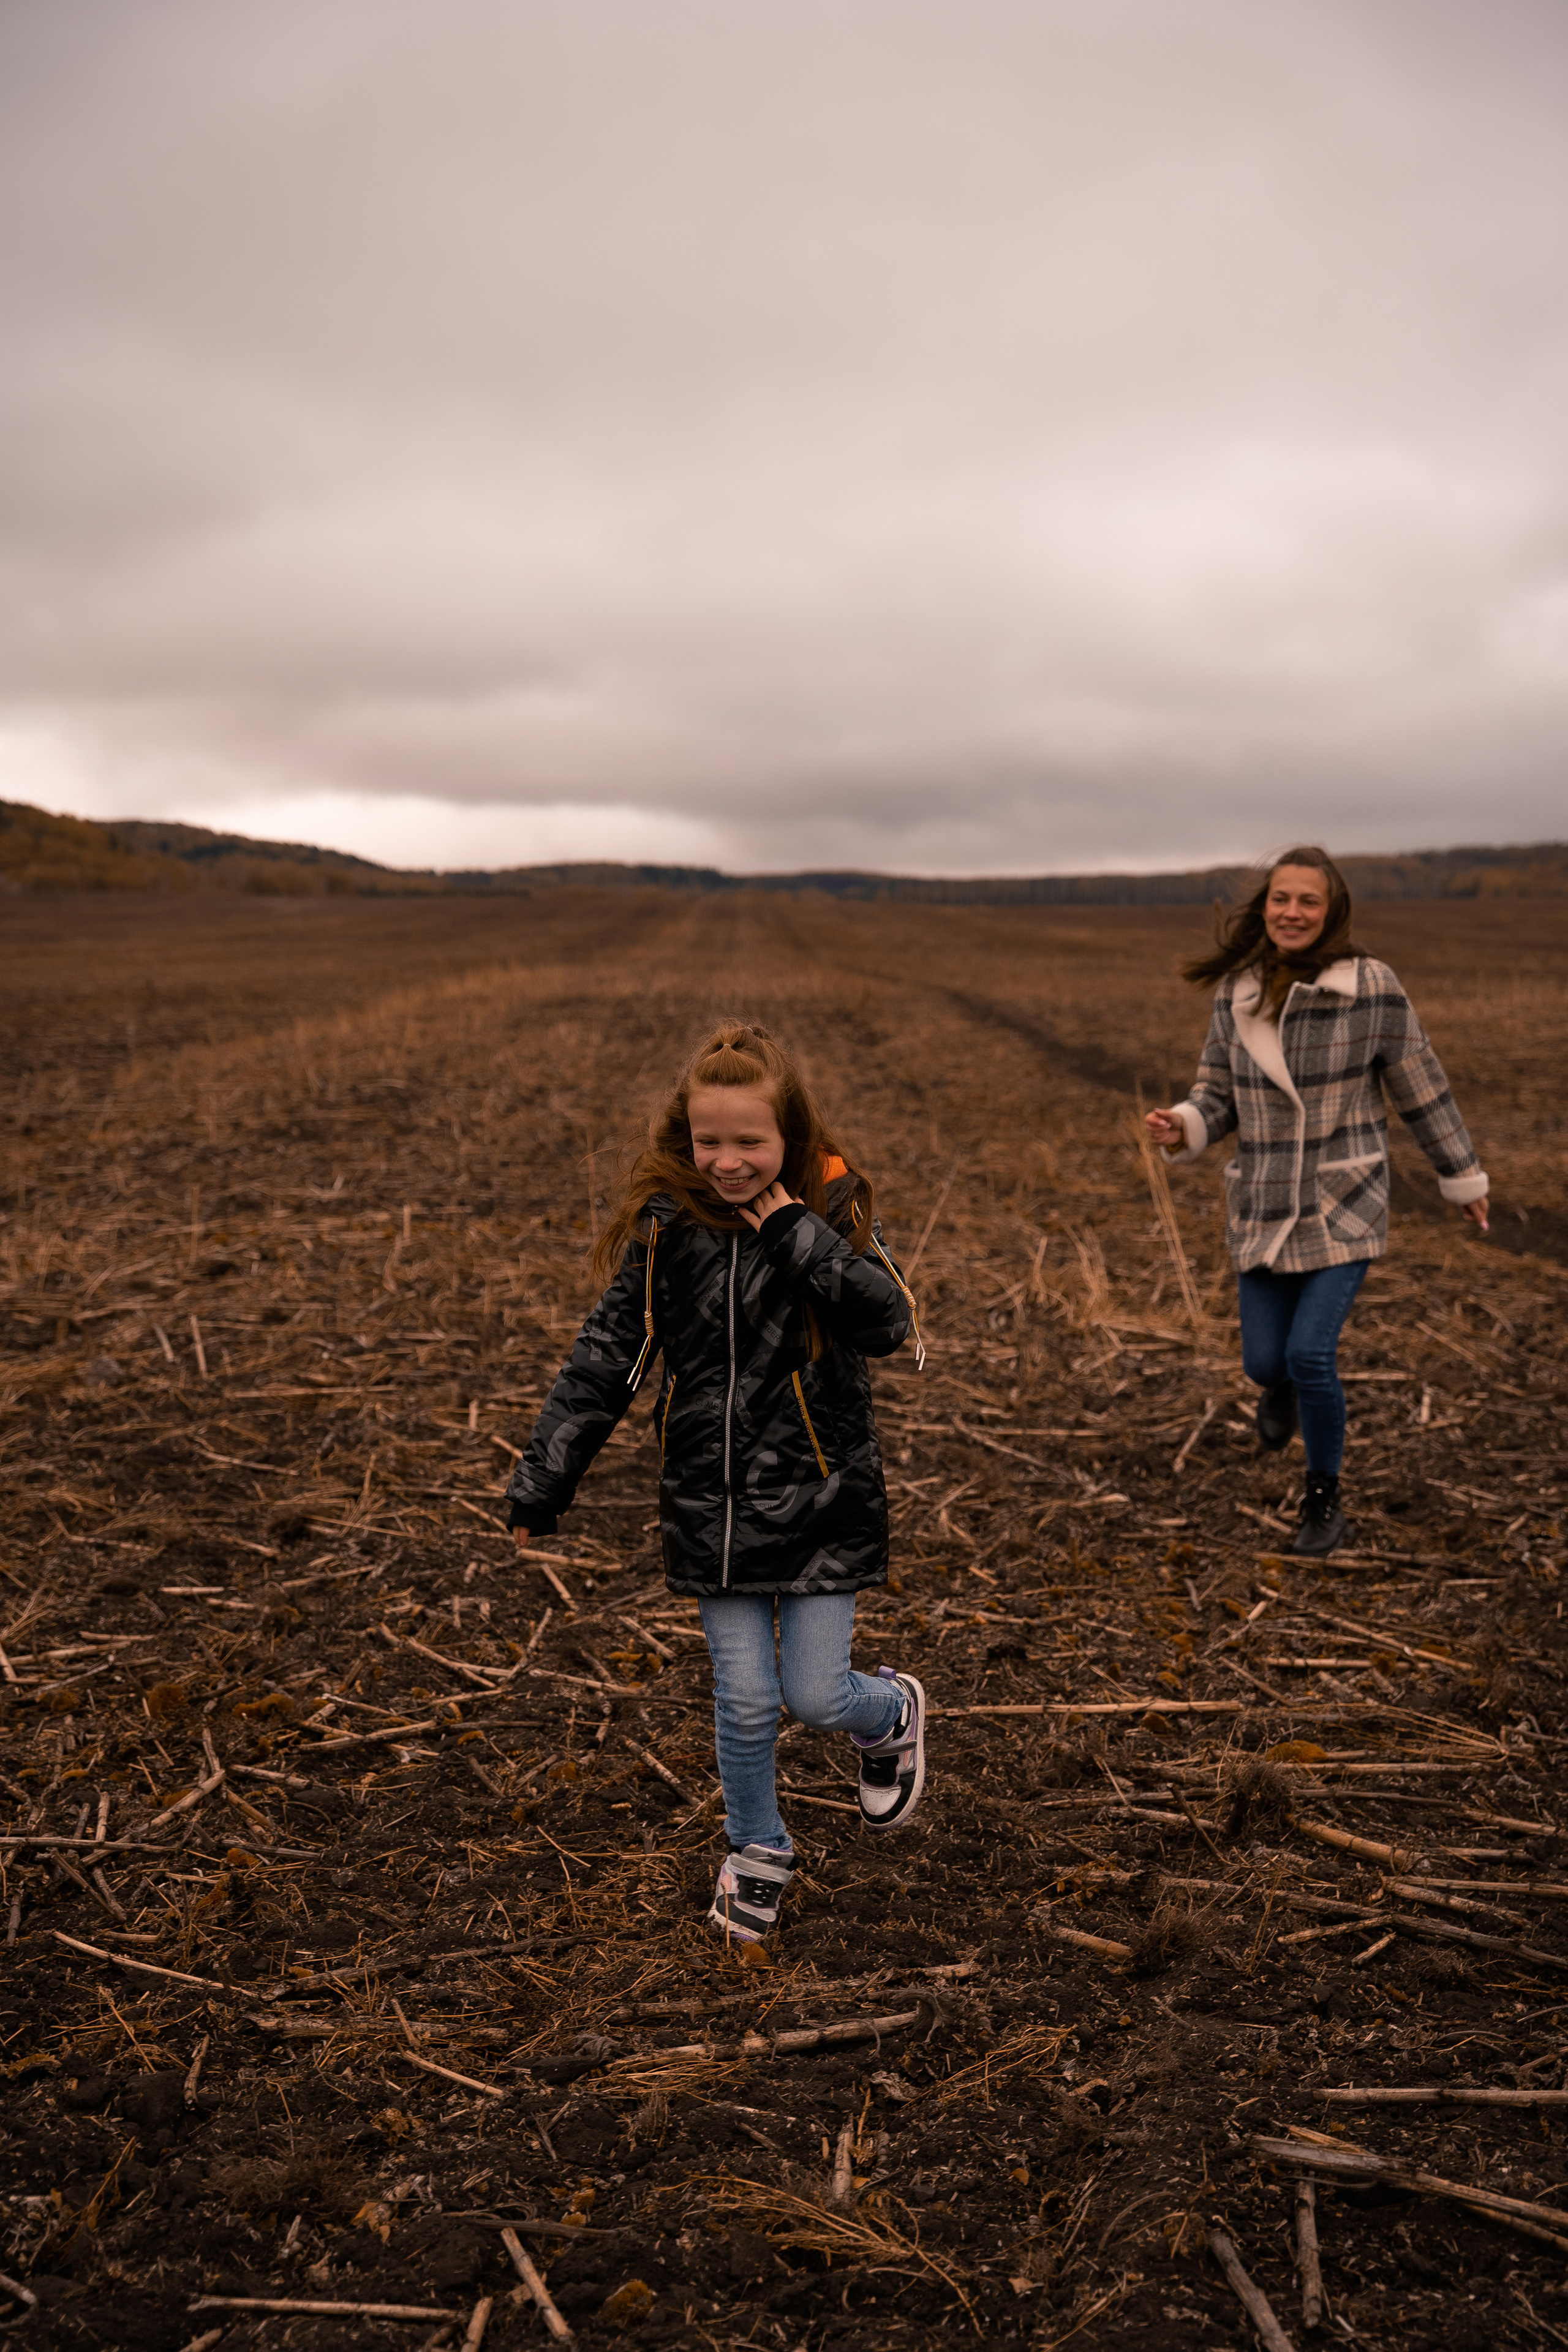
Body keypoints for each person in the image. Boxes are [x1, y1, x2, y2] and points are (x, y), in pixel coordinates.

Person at [503, 1019, 927, 1942]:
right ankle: (757, 1849)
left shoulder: (834, 1209)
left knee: (814, 1698)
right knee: (741, 1696)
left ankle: (890, 1711)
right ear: (683, 1138)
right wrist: (545, 1478)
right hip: (711, 1502)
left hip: (820, 1498)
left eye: (750, 1142)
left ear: (791, 1138)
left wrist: (793, 1232)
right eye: (709, 1142)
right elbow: (607, 1360)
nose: (727, 1162)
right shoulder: (667, 1232)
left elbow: (890, 1324)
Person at [1145, 847, 1488, 1559]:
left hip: (1344, 1201)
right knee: (1263, 1364)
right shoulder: (1237, 994)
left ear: (1330, 912)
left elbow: (1421, 1088)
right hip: (1264, 1202)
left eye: (1307, 901)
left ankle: (1323, 1498)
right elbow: (1218, 1092)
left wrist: (1463, 1179)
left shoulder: (1371, 988)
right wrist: (1185, 1123)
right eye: (1280, 899)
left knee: (1310, 1354)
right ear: (1264, 907)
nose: (1291, 912)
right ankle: (1280, 1390)